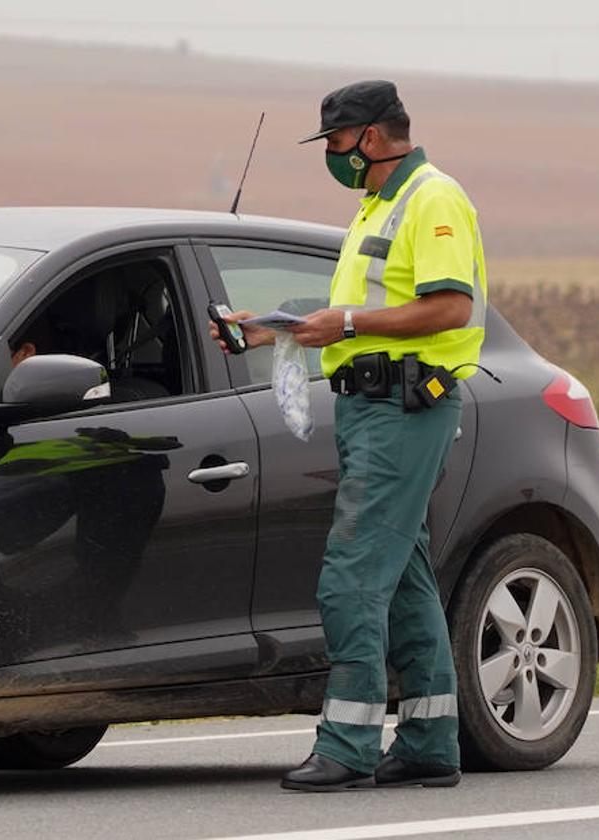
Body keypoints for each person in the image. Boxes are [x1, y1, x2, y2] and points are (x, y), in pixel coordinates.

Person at [211, 79, 487, 791]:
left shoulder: (432, 198)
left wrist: (350, 325)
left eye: (334, 142)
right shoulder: (378, 205)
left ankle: (348, 743)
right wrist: (267, 327)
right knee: (402, 581)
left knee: (351, 577)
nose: (330, 156)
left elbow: (451, 307)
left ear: (368, 137)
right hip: (370, 408)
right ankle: (429, 742)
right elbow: (351, 310)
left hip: (405, 408)